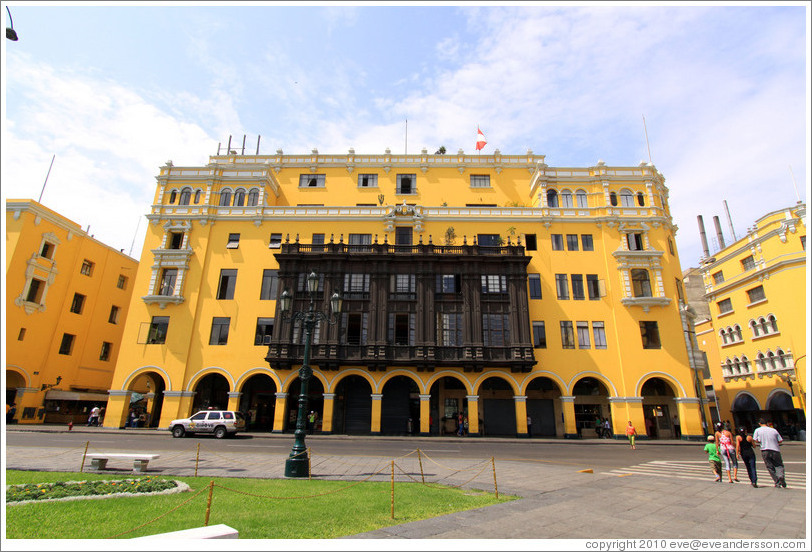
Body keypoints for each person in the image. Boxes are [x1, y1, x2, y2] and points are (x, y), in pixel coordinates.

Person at [753, 418, 786, 488]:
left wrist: (760, 441)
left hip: (765, 450)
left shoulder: (757, 430)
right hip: (775, 450)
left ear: (759, 423)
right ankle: (780, 476)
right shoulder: (773, 430)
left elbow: (755, 440)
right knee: (779, 465)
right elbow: (780, 441)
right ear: (766, 423)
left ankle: (777, 482)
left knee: (770, 467)